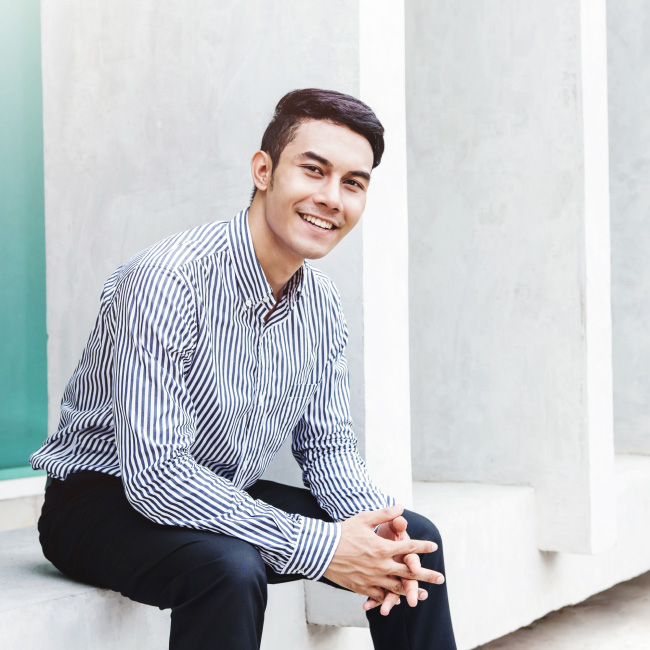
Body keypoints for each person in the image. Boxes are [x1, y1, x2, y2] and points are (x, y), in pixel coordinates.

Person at [30, 88, 456, 650]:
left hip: (223, 489)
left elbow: (328, 450)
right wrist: (323, 547)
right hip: (101, 503)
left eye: (353, 182)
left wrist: (374, 534)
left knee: (412, 541)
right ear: (263, 170)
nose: (332, 197)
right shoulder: (166, 283)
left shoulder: (321, 306)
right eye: (314, 170)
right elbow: (157, 477)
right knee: (228, 569)